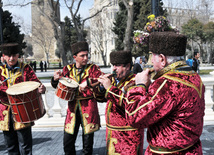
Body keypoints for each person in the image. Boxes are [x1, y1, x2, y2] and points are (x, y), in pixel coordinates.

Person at [124, 32, 205, 154]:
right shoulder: (194, 77)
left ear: (162, 59)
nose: (150, 61)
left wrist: (139, 86)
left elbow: (134, 117)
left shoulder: (167, 83)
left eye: (152, 56)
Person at [51, 41, 105, 155]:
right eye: (82, 56)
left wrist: (88, 82)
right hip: (72, 109)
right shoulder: (67, 69)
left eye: (87, 55)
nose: (86, 58)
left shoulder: (93, 68)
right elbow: (60, 85)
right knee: (68, 141)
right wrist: (55, 79)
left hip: (89, 108)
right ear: (75, 57)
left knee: (87, 144)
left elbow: (102, 78)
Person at [0, 43, 46, 154]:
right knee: (11, 146)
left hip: (23, 110)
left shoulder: (25, 68)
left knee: (25, 146)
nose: (11, 58)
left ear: (18, 55)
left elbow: (36, 84)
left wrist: (41, 89)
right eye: (8, 56)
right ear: (3, 56)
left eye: (14, 55)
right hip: (5, 112)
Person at [98, 50, 144, 155]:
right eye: (113, 65)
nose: (114, 68)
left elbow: (128, 104)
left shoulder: (136, 82)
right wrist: (101, 87)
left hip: (128, 135)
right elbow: (101, 98)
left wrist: (109, 88)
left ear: (128, 66)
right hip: (112, 133)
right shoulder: (114, 80)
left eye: (118, 65)